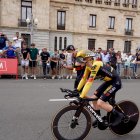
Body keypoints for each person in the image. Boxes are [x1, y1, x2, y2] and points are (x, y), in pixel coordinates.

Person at [75, 50, 123, 127]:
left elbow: (89, 82)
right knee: (94, 99)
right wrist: (77, 90)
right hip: (109, 82)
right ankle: (99, 119)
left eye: (81, 59)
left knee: (100, 102)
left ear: (89, 58)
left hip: (115, 82)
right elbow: (84, 79)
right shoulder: (88, 67)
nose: (80, 62)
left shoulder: (96, 64)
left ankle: (119, 115)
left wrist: (81, 96)